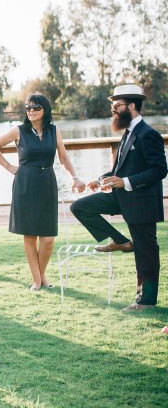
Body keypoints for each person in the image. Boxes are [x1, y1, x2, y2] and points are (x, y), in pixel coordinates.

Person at [70, 84, 167, 311]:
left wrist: (126, 182)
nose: (113, 110)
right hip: (120, 196)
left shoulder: (148, 134)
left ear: (131, 106)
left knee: (146, 252)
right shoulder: (127, 133)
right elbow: (119, 170)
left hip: (142, 201)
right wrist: (100, 179)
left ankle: (146, 301)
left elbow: (160, 170)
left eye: (117, 105)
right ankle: (121, 241)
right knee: (80, 207)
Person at [0, 94, 85, 291]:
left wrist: (74, 177)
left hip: (47, 183)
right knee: (30, 236)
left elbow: (63, 158)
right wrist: (9, 167)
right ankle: (38, 280)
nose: (31, 111)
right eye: (28, 107)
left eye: (35, 107)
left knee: (48, 238)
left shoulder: (54, 131)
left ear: (45, 110)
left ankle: (41, 275)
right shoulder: (19, 131)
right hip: (25, 184)